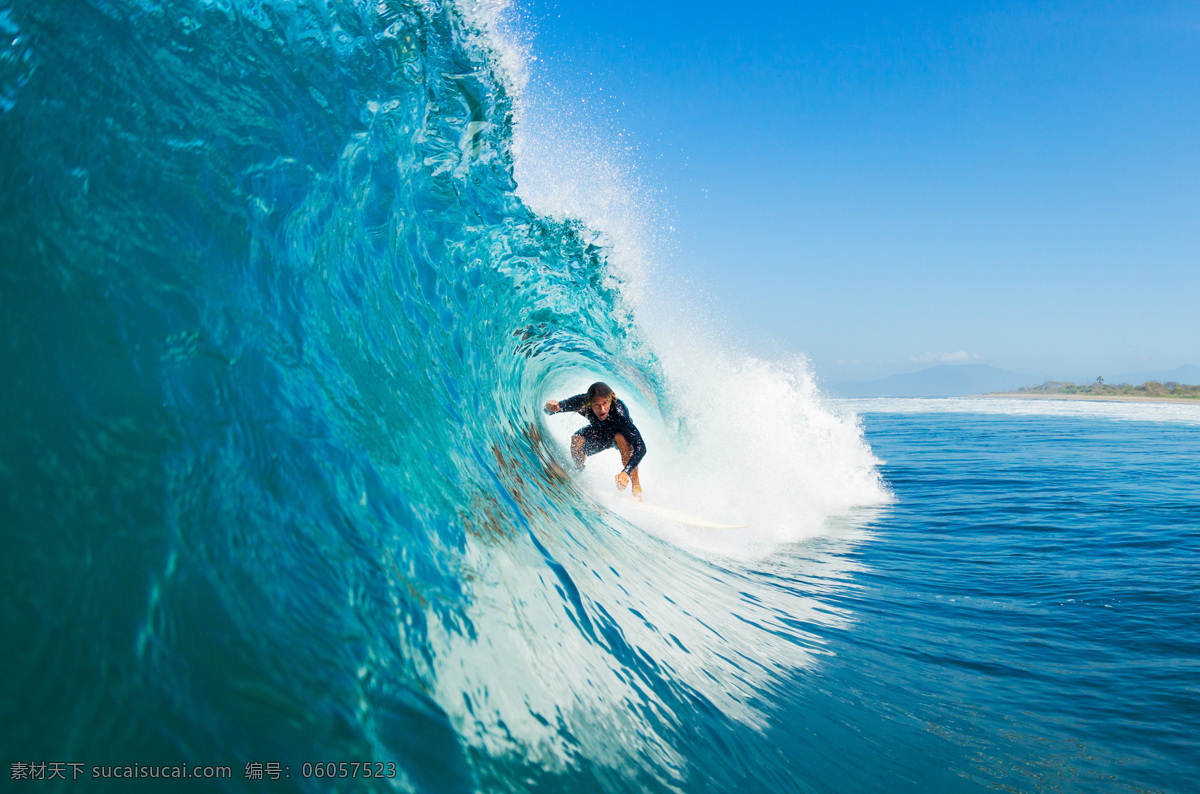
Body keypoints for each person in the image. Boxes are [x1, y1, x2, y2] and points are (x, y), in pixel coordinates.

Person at [545, 382, 646, 499]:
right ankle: (579, 470)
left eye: (605, 403)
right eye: (596, 405)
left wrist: (626, 471)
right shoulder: (584, 402)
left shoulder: (620, 414)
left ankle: (636, 487)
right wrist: (550, 407)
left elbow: (641, 447)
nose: (601, 409)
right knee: (576, 439)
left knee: (622, 438)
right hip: (598, 434)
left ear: (610, 400)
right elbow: (552, 410)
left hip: (617, 437)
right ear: (590, 403)